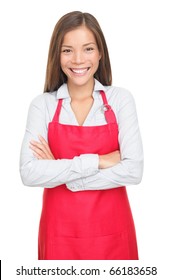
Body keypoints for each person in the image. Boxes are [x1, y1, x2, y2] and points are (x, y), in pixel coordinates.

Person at [20, 11, 143, 260]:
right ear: (57, 54)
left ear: (100, 53)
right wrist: (98, 161)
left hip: (113, 234)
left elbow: (133, 170)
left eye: (88, 49)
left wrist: (63, 174)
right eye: (67, 50)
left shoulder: (120, 100)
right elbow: (29, 173)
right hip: (58, 234)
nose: (78, 59)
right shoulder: (42, 105)